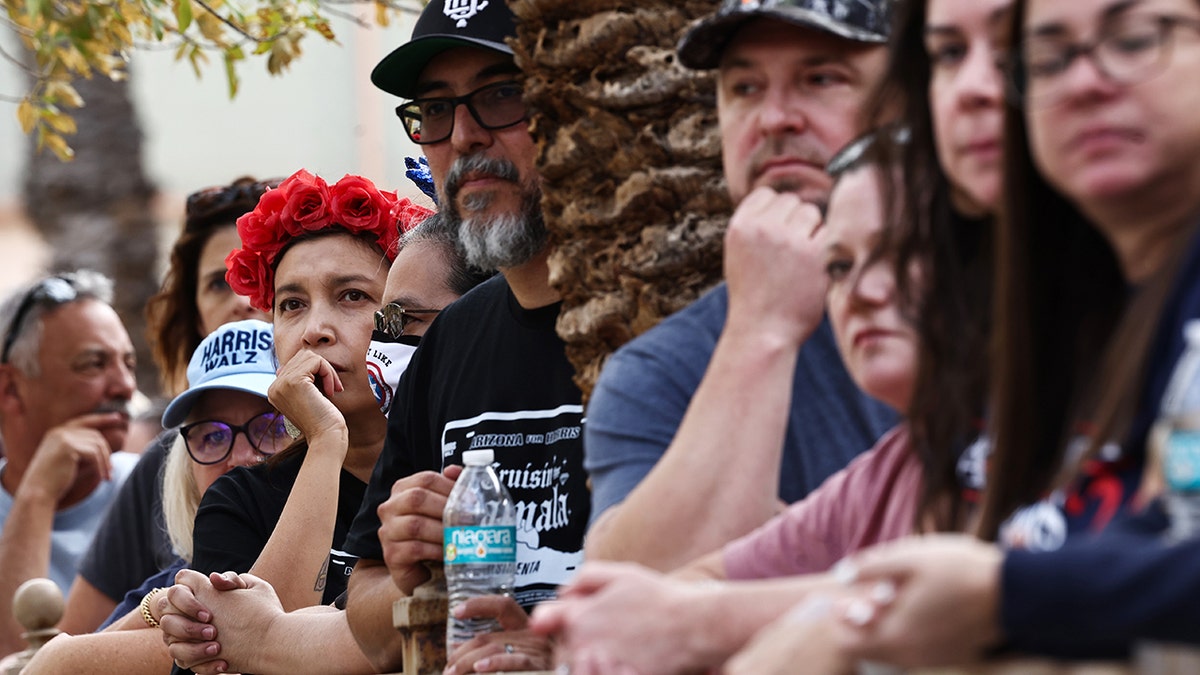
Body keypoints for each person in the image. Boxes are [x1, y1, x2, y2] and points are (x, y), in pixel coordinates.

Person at [760, 0, 1200, 667]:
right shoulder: (1108, 309)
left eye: (1136, 38)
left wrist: (1001, 595)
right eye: (1048, 57)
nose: (1084, 82)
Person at [160, 2, 587, 673]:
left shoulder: (651, 316)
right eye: (435, 110)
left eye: (502, 95)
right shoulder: (456, 343)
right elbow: (367, 605)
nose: (465, 135)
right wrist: (415, 569)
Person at [582, 0, 898, 572]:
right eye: (745, 88)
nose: (774, 118)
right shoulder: (661, 371)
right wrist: (761, 328)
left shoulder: (1022, 307)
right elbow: (631, 606)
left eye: (820, 78)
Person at [59, 177, 274, 636]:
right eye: (220, 282)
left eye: (259, 274)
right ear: (195, 312)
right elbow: (68, 643)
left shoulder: (360, 443)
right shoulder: (162, 460)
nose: (240, 300)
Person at [19, 319, 288, 673]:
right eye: (214, 436)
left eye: (270, 427)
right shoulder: (170, 585)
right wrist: (154, 606)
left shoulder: (364, 558)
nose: (240, 457)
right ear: (187, 467)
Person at [0, 270, 139, 656]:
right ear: (11, 389)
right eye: (94, 364)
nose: (125, 385)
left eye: (128, 363)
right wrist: (38, 494)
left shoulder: (152, 486)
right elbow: (16, 662)